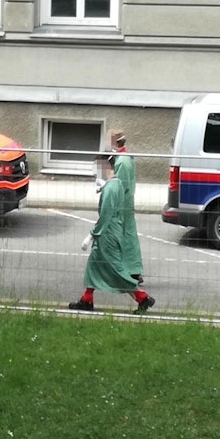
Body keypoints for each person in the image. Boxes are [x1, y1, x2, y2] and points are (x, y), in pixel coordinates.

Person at [69, 154, 154, 314]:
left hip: (107, 235)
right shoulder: (117, 184)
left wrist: (92, 235)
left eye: (97, 169)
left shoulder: (110, 188)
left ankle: (142, 298)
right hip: (112, 232)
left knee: (116, 271)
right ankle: (86, 299)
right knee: (94, 266)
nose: (95, 174)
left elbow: (105, 215)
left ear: (106, 167)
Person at [110, 129, 144, 285]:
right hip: (126, 202)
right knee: (127, 234)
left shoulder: (122, 161)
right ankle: (132, 270)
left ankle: (132, 271)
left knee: (125, 235)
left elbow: (121, 186)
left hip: (122, 204)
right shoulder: (124, 157)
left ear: (115, 143)